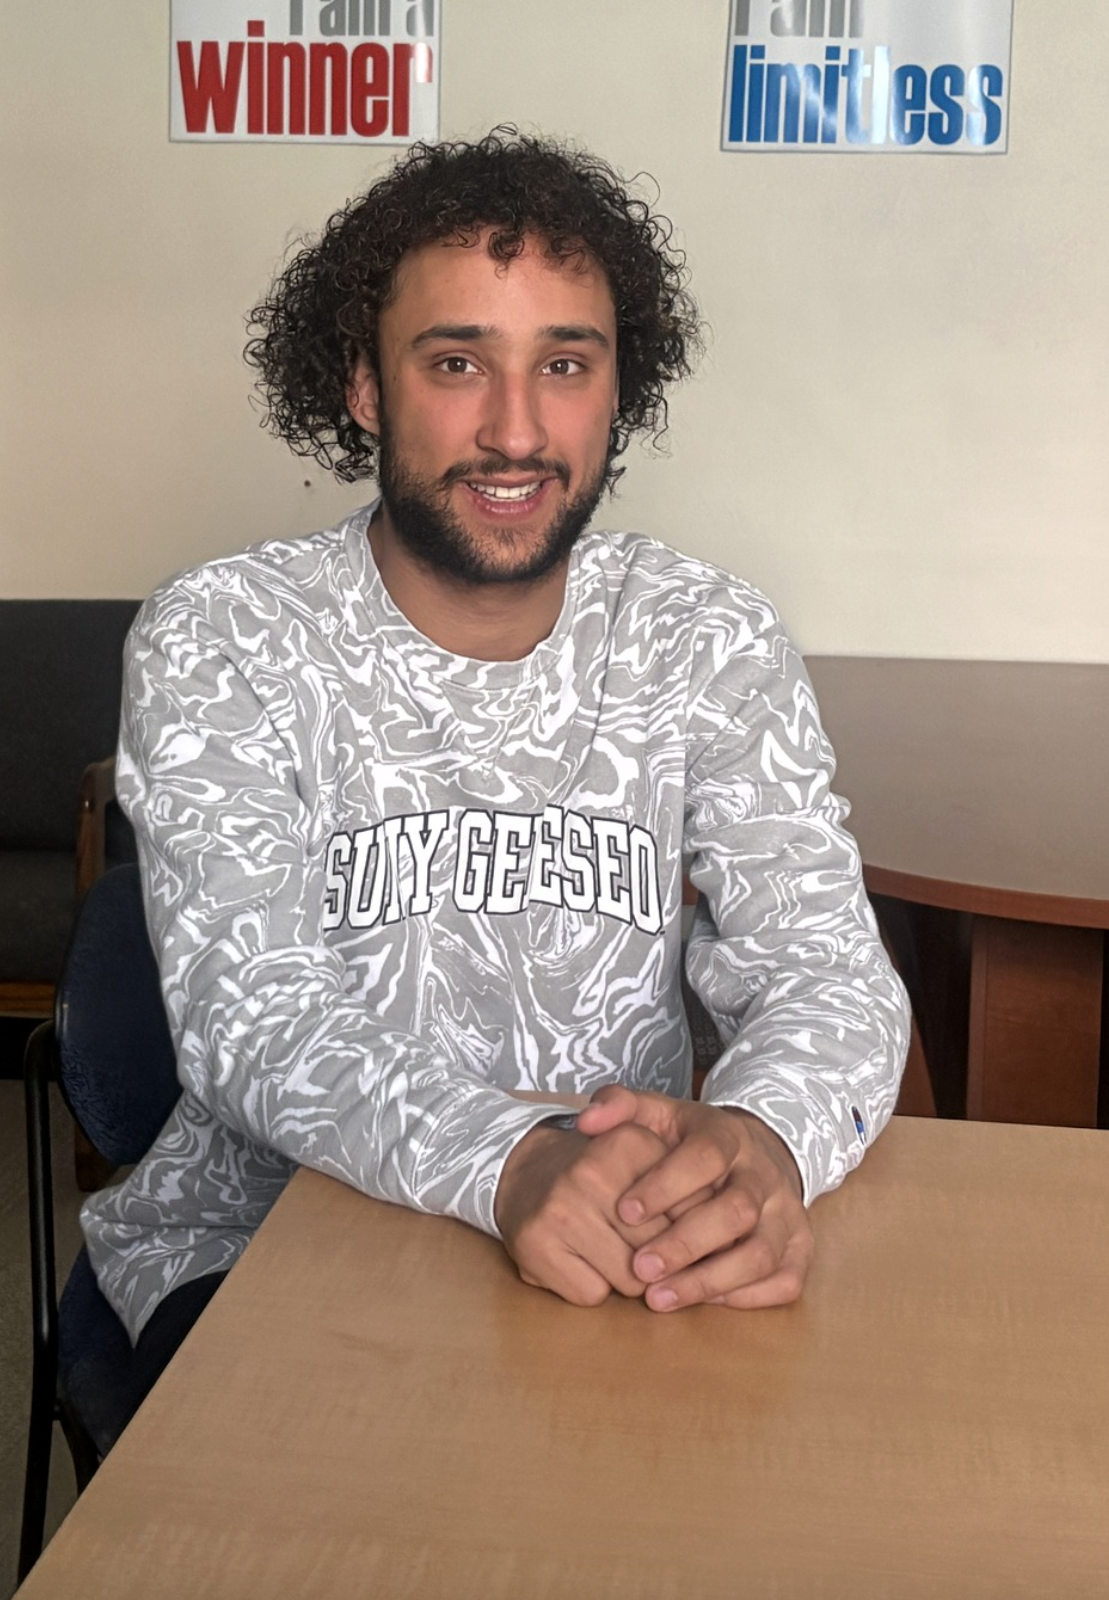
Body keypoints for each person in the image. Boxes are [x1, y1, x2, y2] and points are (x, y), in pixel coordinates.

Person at [75, 127, 910, 1437]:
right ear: (362, 384)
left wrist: (756, 1144)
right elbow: (252, 1016)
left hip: (627, 1234)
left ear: (616, 389)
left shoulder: (708, 639)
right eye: (457, 362)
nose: (515, 430)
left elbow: (825, 968)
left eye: (563, 366)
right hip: (273, 1235)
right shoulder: (225, 634)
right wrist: (512, 1162)